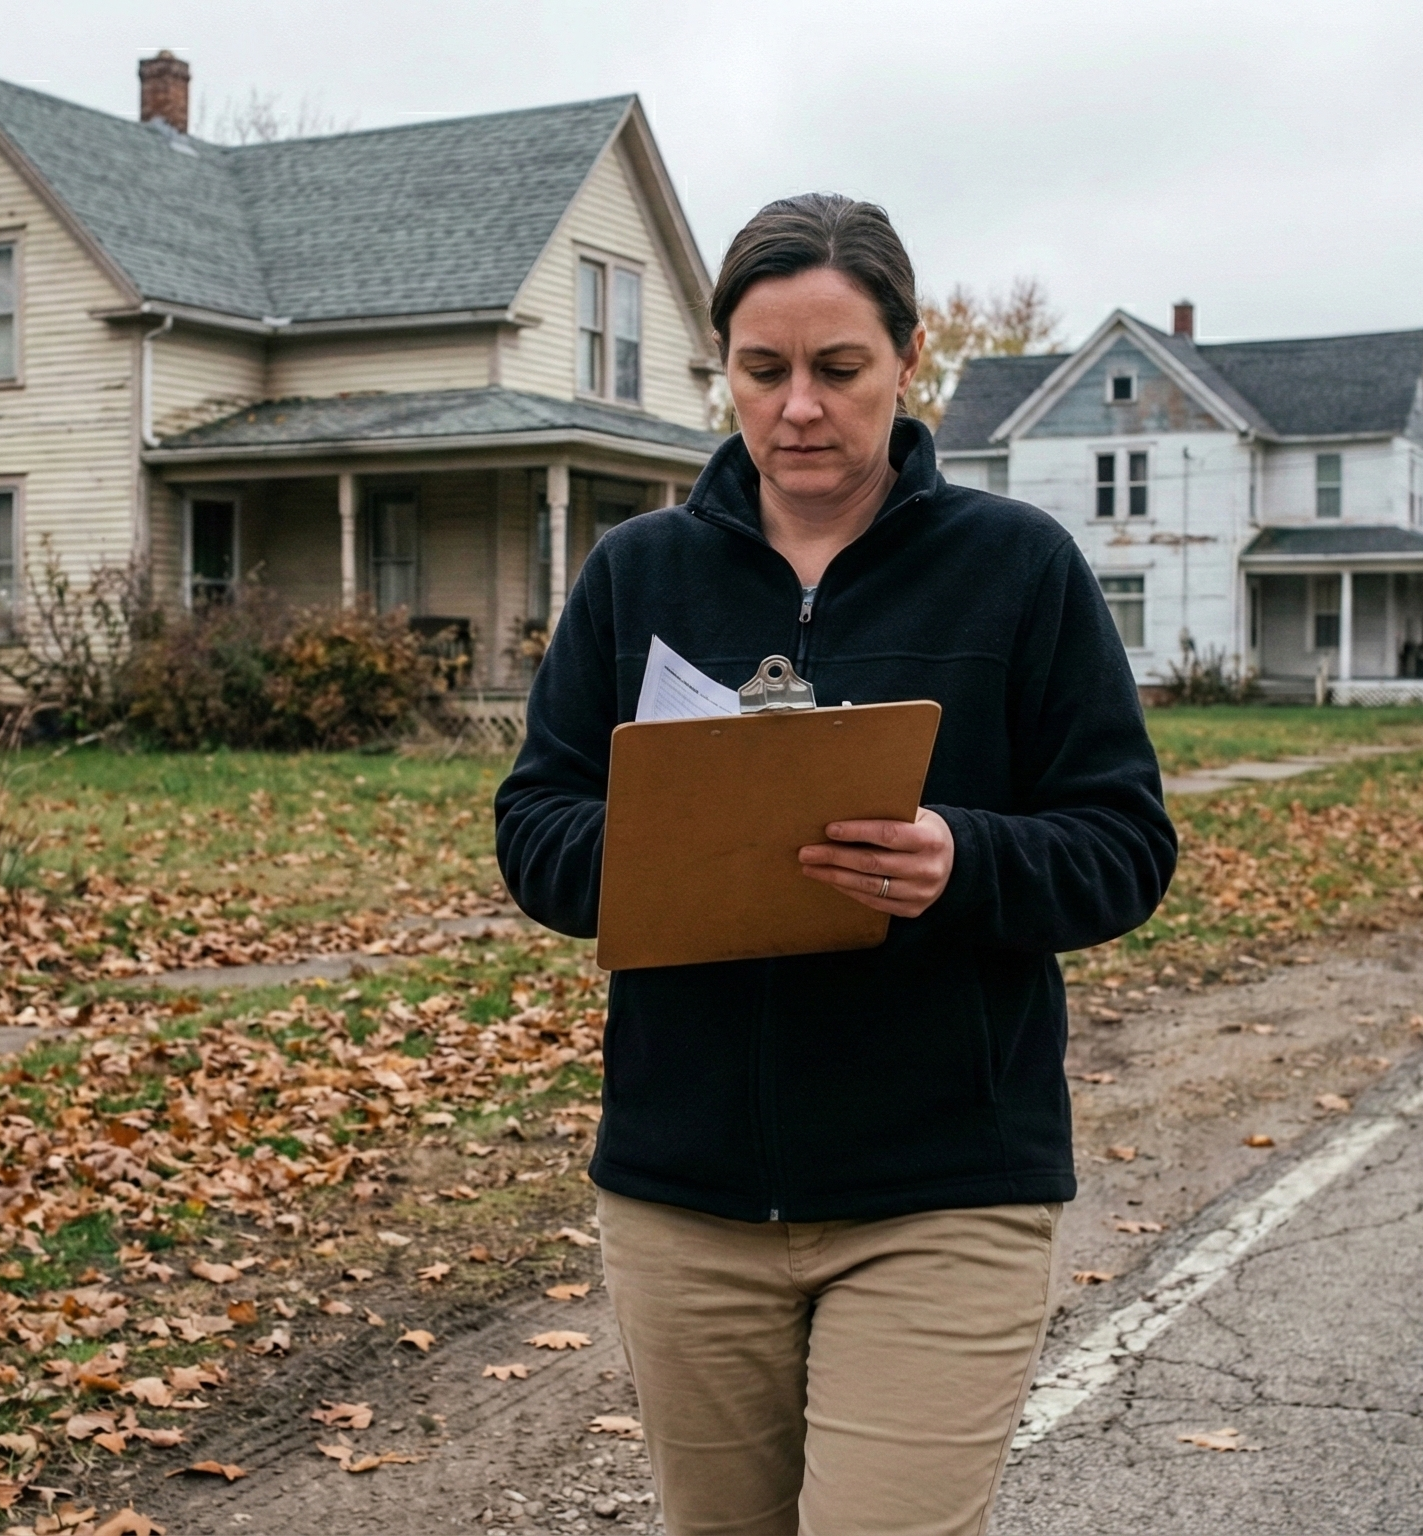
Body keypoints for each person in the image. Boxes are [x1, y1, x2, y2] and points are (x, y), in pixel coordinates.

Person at [494, 193, 1177, 1536]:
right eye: (763, 372)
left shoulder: (1018, 570)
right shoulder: (638, 575)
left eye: (838, 369)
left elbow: (1124, 844)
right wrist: (671, 842)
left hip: (942, 1193)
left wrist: (959, 863)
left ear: (907, 359)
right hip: (686, 1199)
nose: (798, 408)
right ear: (726, 372)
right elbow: (536, 825)